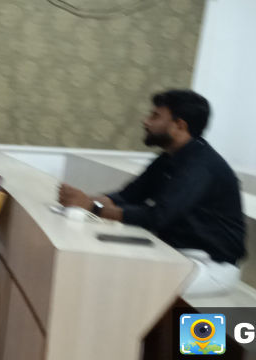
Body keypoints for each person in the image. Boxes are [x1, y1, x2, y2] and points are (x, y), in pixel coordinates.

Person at [57, 89, 246, 296]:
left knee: (121, 284)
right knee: (101, 262)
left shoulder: (200, 165)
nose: (146, 121)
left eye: (155, 116)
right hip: (172, 252)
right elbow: (127, 196)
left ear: (179, 125)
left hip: (210, 266)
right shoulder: (168, 158)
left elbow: (158, 217)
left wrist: (92, 207)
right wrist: (81, 199)